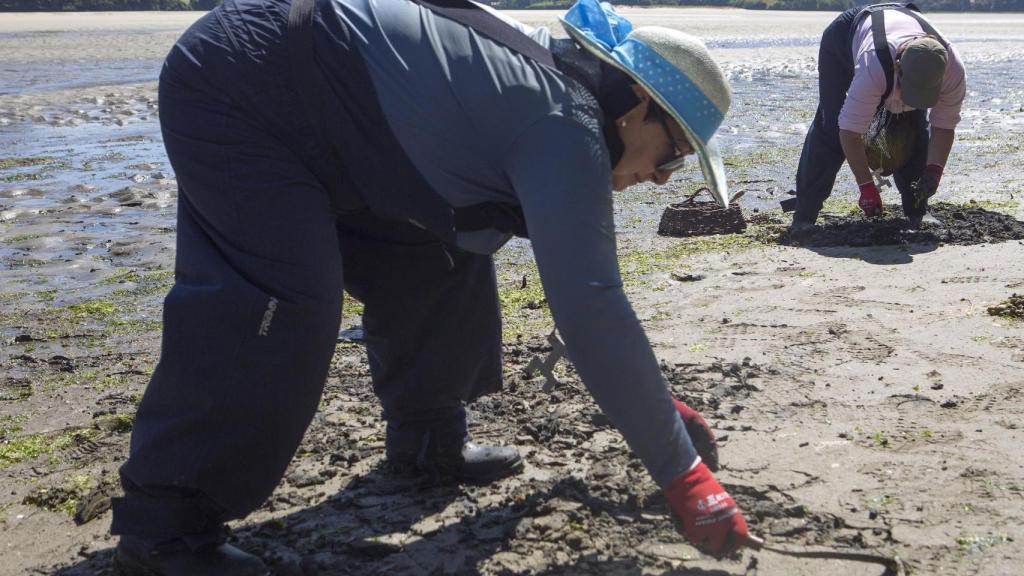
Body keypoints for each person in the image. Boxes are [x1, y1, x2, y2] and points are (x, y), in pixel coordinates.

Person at [110, 0, 750, 573]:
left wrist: (653, 406)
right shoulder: (563, 122)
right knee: (279, 301)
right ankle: (164, 529)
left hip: (344, 124)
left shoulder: (572, 105)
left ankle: (425, 440)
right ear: (636, 104)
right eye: (671, 155)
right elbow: (592, 306)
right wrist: (684, 477)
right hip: (245, 82)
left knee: (444, 255)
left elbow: (578, 291)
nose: (665, 178)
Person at [790, 2, 966, 233]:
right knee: (831, 125)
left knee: (915, 126)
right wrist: (867, 187)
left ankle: (917, 210)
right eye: (911, 91)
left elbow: (943, 126)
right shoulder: (874, 65)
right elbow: (849, 132)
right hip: (844, 41)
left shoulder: (952, 69)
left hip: (900, 36)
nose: (911, 100)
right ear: (898, 66)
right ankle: (805, 214)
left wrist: (934, 171)